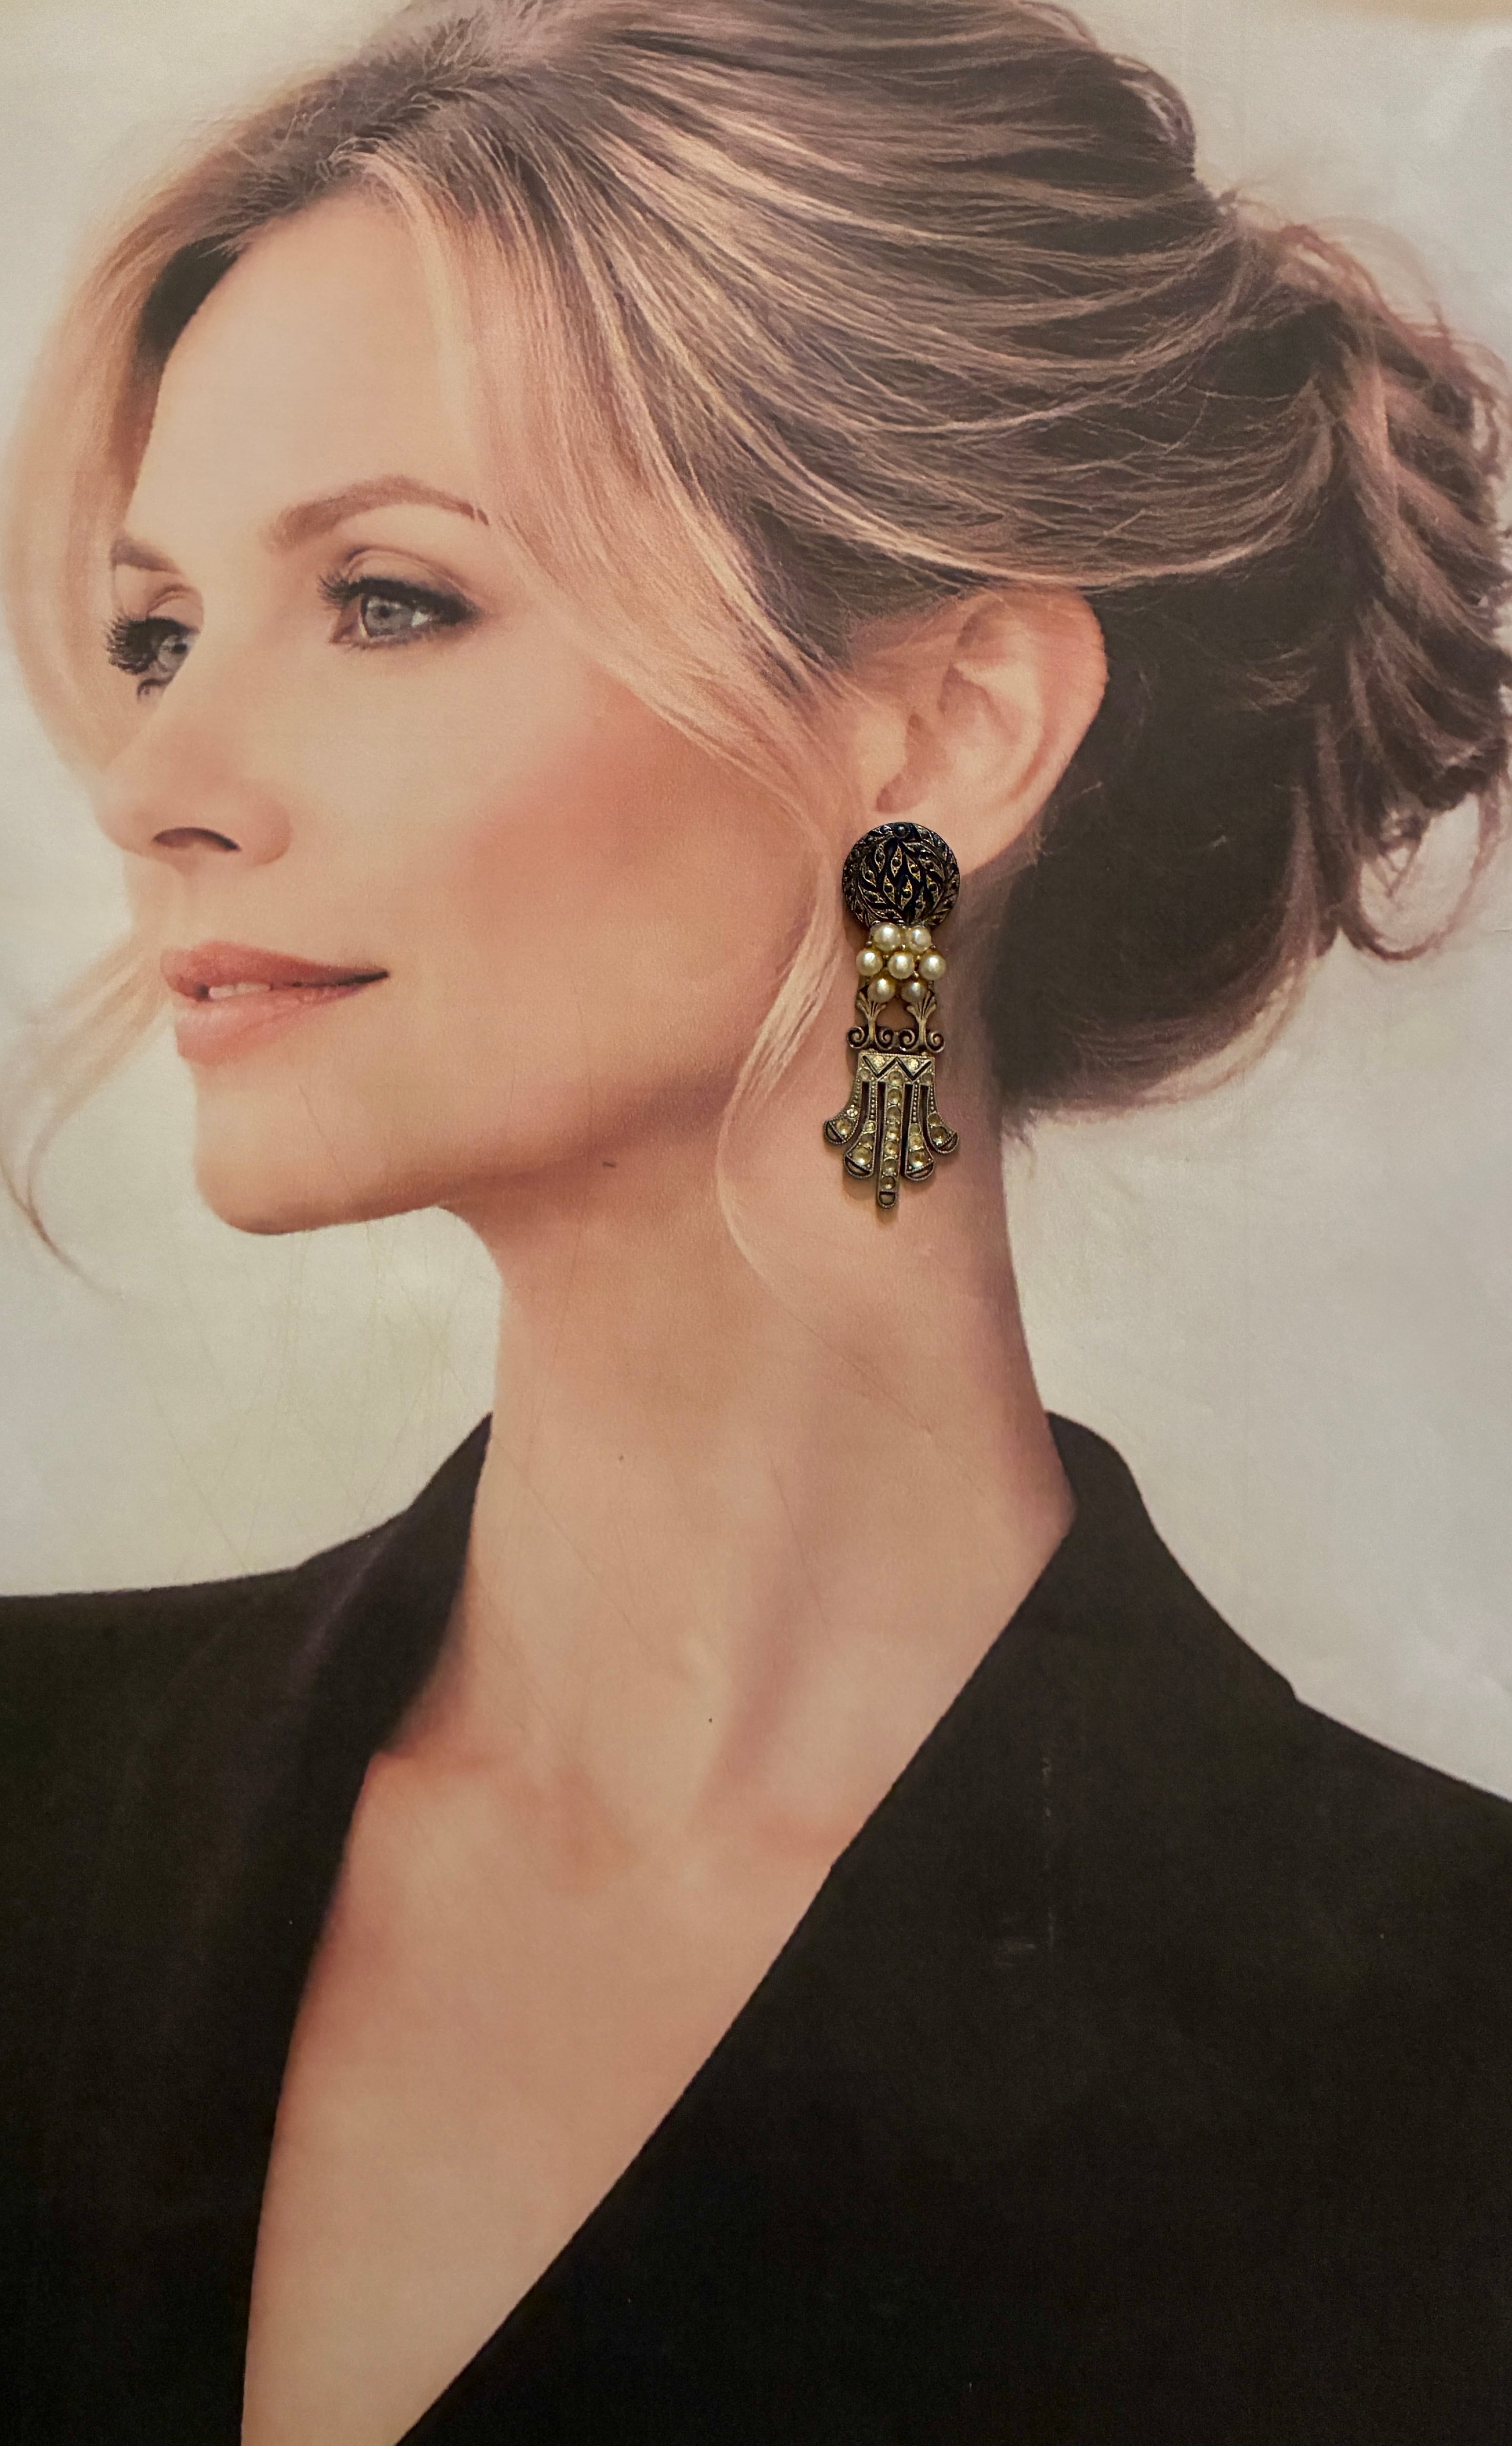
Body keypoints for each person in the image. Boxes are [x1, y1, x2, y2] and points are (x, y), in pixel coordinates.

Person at [2, 0, 1510, 2439]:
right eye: (158, 628)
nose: (156, 774)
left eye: (386, 597)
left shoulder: (1443, 2070)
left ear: (943, 733)